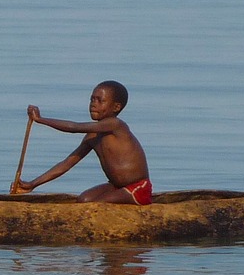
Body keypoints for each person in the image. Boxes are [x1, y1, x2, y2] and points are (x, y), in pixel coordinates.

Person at [12, 81, 153, 204]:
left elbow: (74, 127)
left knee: (94, 205)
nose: (93, 104)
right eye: (92, 100)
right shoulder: (92, 136)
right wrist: (33, 184)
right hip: (116, 186)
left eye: (100, 101)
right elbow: (67, 163)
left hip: (138, 188)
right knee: (83, 200)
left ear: (116, 107)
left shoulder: (115, 125)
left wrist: (41, 120)